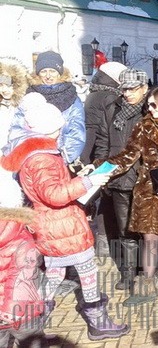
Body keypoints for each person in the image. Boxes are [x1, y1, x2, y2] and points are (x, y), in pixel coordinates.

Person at [0, 95, 128, 341]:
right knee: (87, 269)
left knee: (55, 272)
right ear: (46, 129)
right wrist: (88, 182)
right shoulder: (41, 158)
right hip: (61, 224)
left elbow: (52, 186)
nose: (61, 132)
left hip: (52, 224)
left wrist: (80, 177)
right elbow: (54, 194)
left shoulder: (35, 152)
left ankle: (34, 322)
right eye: (58, 128)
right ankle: (97, 322)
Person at [102, 85, 158, 306]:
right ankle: (146, 286)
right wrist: (100, 169)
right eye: (148, 105)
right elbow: (127, 156)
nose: (149, 109)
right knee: (149, 237)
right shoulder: (143, 127)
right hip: (149, 190)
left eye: (153, 105)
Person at [93, 68, 149, 292]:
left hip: (144, 179)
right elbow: (103, 141)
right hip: (118, 178)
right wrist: (101, 168)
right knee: (124, 228)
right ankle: (128, 272)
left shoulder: (150, 109)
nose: (128, 94)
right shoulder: (112, 109)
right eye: (125, 89)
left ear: (144, 88)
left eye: (133, 89)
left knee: (146, 229)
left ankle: (147, 272)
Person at [6, 51, 85, 166]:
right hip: (32, 160)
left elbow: (76, 132)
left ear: (59, 73)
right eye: (43, 71)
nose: (48, 76)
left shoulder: (72, 98)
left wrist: (61, 159)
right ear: (38, 74)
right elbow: (17, 129)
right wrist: (30, 155)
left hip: (60, 160)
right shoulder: (29, 96)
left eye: (52, 71)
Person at [0, 171, 44, 348]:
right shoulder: (22, 237)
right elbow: (22, 278)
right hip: (21, 312)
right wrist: (10, 312)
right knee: (32, 342)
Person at [81, 62, 126, 164]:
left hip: (89, 143)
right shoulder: (111, 97)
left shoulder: (93, 94)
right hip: (102, 146)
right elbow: (111, 124)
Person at [0, 57, 30, 149]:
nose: (4, 90)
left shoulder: (25, 106)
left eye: (9, 85)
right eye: (1, 85)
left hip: (17, 152)